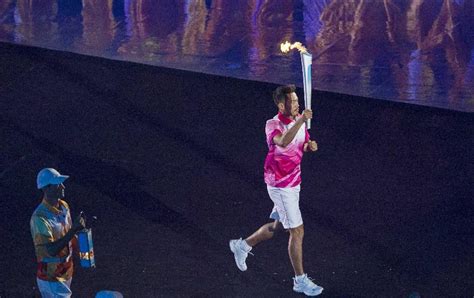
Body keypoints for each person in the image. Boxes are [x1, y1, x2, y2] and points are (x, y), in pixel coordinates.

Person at [229, 84, 323, 296]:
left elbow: (302, 144)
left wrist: (311, 147)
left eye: (298, 101)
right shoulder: (273, 124)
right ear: (282, 105)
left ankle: (243, 246)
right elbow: (283, 142)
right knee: (297, 231)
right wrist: (300, 121)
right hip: (280, 185)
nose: (298, 104)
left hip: (294, 181)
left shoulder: (299, 121)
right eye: (294, 102)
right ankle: (299, 280)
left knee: (278, 226)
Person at [30, 168, 86, 297]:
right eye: (58, 184)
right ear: (47, 188)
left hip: (65, 272)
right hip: (51, 278)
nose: (63, 186)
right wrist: (73, 231)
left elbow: (69, 236)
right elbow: (50, 251)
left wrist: (85, 255)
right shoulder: (40, 218)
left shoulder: (64, 206)